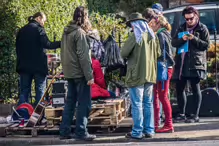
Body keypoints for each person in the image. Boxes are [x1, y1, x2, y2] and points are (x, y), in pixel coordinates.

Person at [121, 12, 161, 139]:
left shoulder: (135, 37)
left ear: (134, 24)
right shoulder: (153, 36)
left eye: (131, 25)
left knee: (137, 103)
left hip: (136, 74)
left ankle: (137, 131)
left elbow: (123, 53)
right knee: (148, 103)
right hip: (150, 74)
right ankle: (149, 130)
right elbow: (158, 53)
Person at [59, 6, 96, 141]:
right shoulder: (79, 33)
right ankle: (81, 131)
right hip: (80, 74)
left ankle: (64, 131)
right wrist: (89, 76)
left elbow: (63, 52)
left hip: (69, 73)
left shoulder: (66, 31)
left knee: (70, 102)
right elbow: (83, 56)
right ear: (85, 17)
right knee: (84, 103)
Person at [172, 6, 210, 123]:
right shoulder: (181, 27)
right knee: (180, 88)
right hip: (182, 63)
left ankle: (195, 115)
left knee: (195, 88)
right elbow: (173, 42)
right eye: (186, 19)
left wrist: (193, 38)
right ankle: (182, 113)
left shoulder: (202, 28)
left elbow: (206, 45)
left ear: (196, 17)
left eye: (191, 19)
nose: (188, 21)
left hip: (195, 63)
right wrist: (182, 39)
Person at [16, 12, 60, 106]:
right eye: (44, 21)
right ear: (38, 18)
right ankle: (37, 115)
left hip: (24, 66)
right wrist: (61, 43)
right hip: (38, 66)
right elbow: (47, 44)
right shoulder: (39, 29)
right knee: (40, 90)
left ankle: (22, 113)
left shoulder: (22, 30)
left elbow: (17, 48)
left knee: (24, 91)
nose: (44, 23)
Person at [150, 15, 175, 133]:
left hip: (163, 68)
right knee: (158, 96)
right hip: (165, 68)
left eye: (152, 23)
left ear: (158, 24)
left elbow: (160, 53)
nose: (150, 25)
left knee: (162, 96)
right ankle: (156, 124)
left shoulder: (160, 35)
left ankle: (168, 124)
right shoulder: (165, 33)